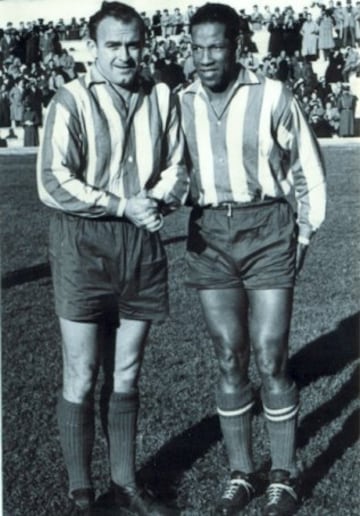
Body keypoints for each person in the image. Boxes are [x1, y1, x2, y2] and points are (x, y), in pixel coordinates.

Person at [37, 2, 188, 515]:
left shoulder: (162, 96)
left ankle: (125, 485)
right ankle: (82, 491)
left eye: (134, 44)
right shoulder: (70, 99)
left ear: (146, 44)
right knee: (81, 371)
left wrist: (155, 201)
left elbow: (177, 165)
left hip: (140, 246)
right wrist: (123, 204)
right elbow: (53, 181)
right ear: (91, 48)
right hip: (83, 243)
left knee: (128, 368)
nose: (126, 55)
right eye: (114, 45)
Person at [180, 4, 326, 516]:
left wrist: (303, 236)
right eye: (196, 47)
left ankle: (282, 476)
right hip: (209, 234)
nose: (204, 57)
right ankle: (241, 472)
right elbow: (169, 171)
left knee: (270, 354)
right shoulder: (180, 103)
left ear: (236, 45)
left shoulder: (272, 96)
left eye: (215, 46)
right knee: (228, 354)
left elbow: (308, 165)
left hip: (267, 228)